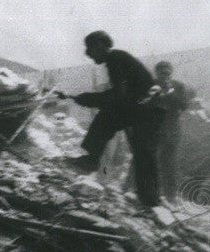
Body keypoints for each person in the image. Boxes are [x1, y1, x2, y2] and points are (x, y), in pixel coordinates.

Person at [65, 32, 161, 205]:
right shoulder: (116, 59)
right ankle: (91, 159)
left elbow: (119, 94)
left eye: (90, 48)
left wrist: (90, 99)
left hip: (146, 108)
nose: (88, 53)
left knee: (142, 152)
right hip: (140, 106)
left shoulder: (115, 58)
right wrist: (92, 99)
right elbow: (120, 96)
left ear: (101, 45)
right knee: (109, 120)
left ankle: (151, 201)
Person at [150, 61, 195, 203]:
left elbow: (184, 105)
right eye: (161, 73)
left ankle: (171, 196)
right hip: (154, 130)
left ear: (171, 73)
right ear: (156, 73)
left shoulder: (178, 86)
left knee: (169, 163)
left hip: (171, 130)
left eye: (167, 73)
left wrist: (170, 91)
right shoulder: (150, 85)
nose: (164, 76)